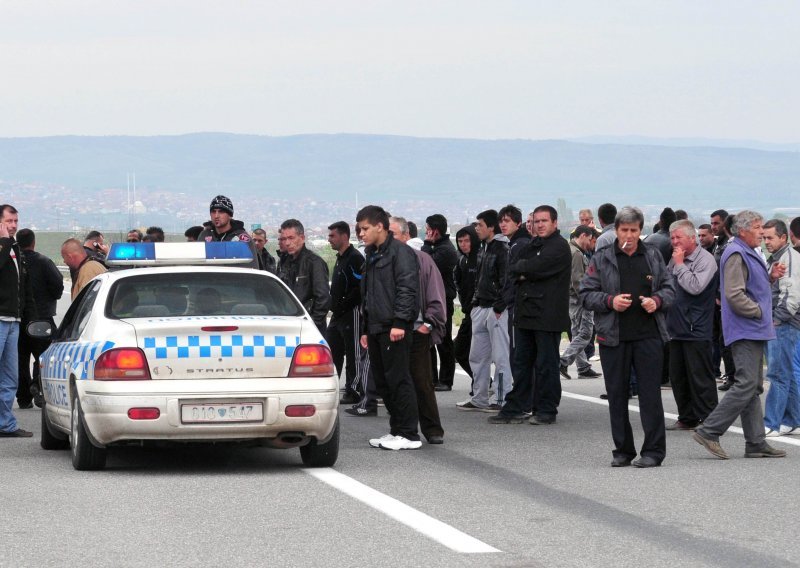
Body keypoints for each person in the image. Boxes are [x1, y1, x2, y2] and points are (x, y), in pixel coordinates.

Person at [580, 206, 675, 467]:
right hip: (613, 337)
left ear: (640, 231)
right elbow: (586, 294)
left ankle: (653, 452)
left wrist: (657, 301)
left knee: (650, 396)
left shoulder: (653, 255)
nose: (629, 235)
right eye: (624, 230)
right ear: (617, 230)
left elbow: (670, 289)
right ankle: (623, 450)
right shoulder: (602, 258)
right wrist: (610, 301)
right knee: (617, 395)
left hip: (648, 336)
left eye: (634, 230)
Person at [692, 210, 785, 459]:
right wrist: (758, 312)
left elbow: (752, 285)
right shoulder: (736, 253)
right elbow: (733, 294)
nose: (761, 232)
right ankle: (709, 430)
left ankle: (755, 442)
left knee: (753, 386)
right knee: (745, 384)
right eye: (756, 227)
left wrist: (770, 278)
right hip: (745, 328)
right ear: (742, 230)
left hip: (752, 328)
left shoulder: (746, 252)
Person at [489, 205, 571, 425]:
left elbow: (537, 267)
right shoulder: (532, 244)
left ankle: (546, 409)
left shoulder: (559, 247)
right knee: (521, 362)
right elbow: (514, 268)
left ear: (555, 223)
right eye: (536, 221)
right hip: (525, 313)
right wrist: (525, 271)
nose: (540, 225)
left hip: (548, 315)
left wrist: (526, 271)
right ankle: (517, 406)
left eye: (544, 221)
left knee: (546, 364)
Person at [356, 205, 421, 451]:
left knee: (399, 379)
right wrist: (365, 328)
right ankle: (396, 431)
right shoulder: (372, 254)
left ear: (380, 226)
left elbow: (407, 289)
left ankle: (409, 433)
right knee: (383, 383)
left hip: (394, 327)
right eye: (359, 229)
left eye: (365, 228)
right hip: (375, 326)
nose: (361, 234)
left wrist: (400, 322)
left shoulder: (400, 253)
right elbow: (369, 294)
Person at [391, 217, 446, 444]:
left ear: (405, 235)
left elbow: (436, 294)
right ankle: (403, 429)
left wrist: (429, 324)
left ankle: (433, 429)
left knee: (421, 381)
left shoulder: (423, 260)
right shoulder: (383, 261)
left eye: (393, 233)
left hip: (416, 331)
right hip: (391, 331)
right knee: (395, 382)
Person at [665, 220, 719, 430]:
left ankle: (710, 419)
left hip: (696, 326)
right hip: (676, 326)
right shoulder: (675, 259)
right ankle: (687, 417)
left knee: (700, 376)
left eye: (678, 237)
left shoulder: (705, 260)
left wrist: (679, 265)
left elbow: (695, 287)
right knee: (678, 376)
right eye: (672, 238)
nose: (674, 242)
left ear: (691, 238)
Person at [457, 210, 512, 412]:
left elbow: (507, 281)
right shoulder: (483, 248)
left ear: (491, 227)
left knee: (500, 357)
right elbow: (479, 280)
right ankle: (479, 396)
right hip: (480, 307)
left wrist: (499, 306)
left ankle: (500, 398)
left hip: (495, 309)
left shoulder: (502, 249)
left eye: (479, 225)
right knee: (477, 356)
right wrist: (473, 304)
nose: (476, 229)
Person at [15, 229, 63, 409]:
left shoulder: (13, 262)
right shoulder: (44, 262)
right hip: (41, 318)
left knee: (20, 359)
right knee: (46, 356)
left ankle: (23, 397)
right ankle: (38, 385)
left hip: (17, 320)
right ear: (33, 243)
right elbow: (58, 286)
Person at [761, 219, 800, 436]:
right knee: (787, 374)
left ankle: (771, 423)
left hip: (783, 324)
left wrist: (777, 319)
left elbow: (792, 294)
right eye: (764, 237)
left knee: (777, 374)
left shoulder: (790, 259)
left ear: (783, 238)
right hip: (778, 323)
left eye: (770, 238)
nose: (766, 241)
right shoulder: (776, 258)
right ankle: (793, 419)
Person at [0, 204, 35, 437]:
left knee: (10, 377)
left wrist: (28, 315)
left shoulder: (15, 248)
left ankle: (6, 424)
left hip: (14, 320)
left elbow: (23, 284)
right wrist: (3, 243)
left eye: (15, 221)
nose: (13, 226)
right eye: (8, 221)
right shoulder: (5, 246)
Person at [326, 221, 365, 405]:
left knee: (353, 353)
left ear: (344, 236)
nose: (329, 239)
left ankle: (354, 389)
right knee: (333, 350)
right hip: (337, 315)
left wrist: (343, 305)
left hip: (352, 313)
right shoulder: (340, 258)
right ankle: (331, 388)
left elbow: (359, 288)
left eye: (332, 236)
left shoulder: (355, 258)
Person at [559, 225, 602, 379]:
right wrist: (588, 300)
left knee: (577, 332)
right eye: (590, 239)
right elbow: (578, 281)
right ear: (583, 235)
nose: (590, 243)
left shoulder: (569, 249)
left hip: (571, 299)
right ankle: (564, 360)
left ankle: (583, 367)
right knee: (585, 333)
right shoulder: (576, 253)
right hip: (579, 299)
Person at [422, 214, 458, 392]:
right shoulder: (439, 247)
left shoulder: (445, 250)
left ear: (435, 231)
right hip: (433, 300)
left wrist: (427, 244)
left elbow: (426, 264)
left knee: (443, 341)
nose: (426, 233)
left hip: (444, 300)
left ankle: (446, 379)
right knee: (429, 341)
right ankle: (432, 377)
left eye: (428, 229)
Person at [277, 219, 331, 334]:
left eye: (291, 238)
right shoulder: (285, 262)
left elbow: (322, 298)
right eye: (284, 239)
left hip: (308, 328)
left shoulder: (314, 263)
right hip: (288, 325)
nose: (287, 243)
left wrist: (312, 325)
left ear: (302, 238)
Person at [498, 204, 532, 373]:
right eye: (501, 221)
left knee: (517, 352)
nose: (503, 225)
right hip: (516, 304)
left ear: (518, 223)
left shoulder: (519, 245)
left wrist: (506, 301)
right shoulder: (515, 243)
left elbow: (513, 277)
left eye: (507, 221)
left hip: (518, 306)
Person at [710, 209, 736, 391]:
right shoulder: (718, 244)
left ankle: (733, 377)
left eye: (716, 223)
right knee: (721, 340)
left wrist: (720, 295)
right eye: (711, 223)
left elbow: (726, 274)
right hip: (716, 299)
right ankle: (729, 374)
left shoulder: (729, 246)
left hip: (724, 300)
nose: (713, 227)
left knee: (726, 340)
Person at [198, 195, 258, 268]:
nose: (216, 216)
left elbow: (251, 267)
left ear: (230, 215)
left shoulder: (241, 239)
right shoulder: (204, 235)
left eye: (221, 212)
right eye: (213, 211)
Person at [453, 225, 479, 386]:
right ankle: (481, 383)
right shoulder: (462, 260)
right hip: (468, 313)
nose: (463, 244)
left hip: (481, 311)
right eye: (460, 241)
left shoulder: (481, 258)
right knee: (460, 351)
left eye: (467, 240)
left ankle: (484, 386)